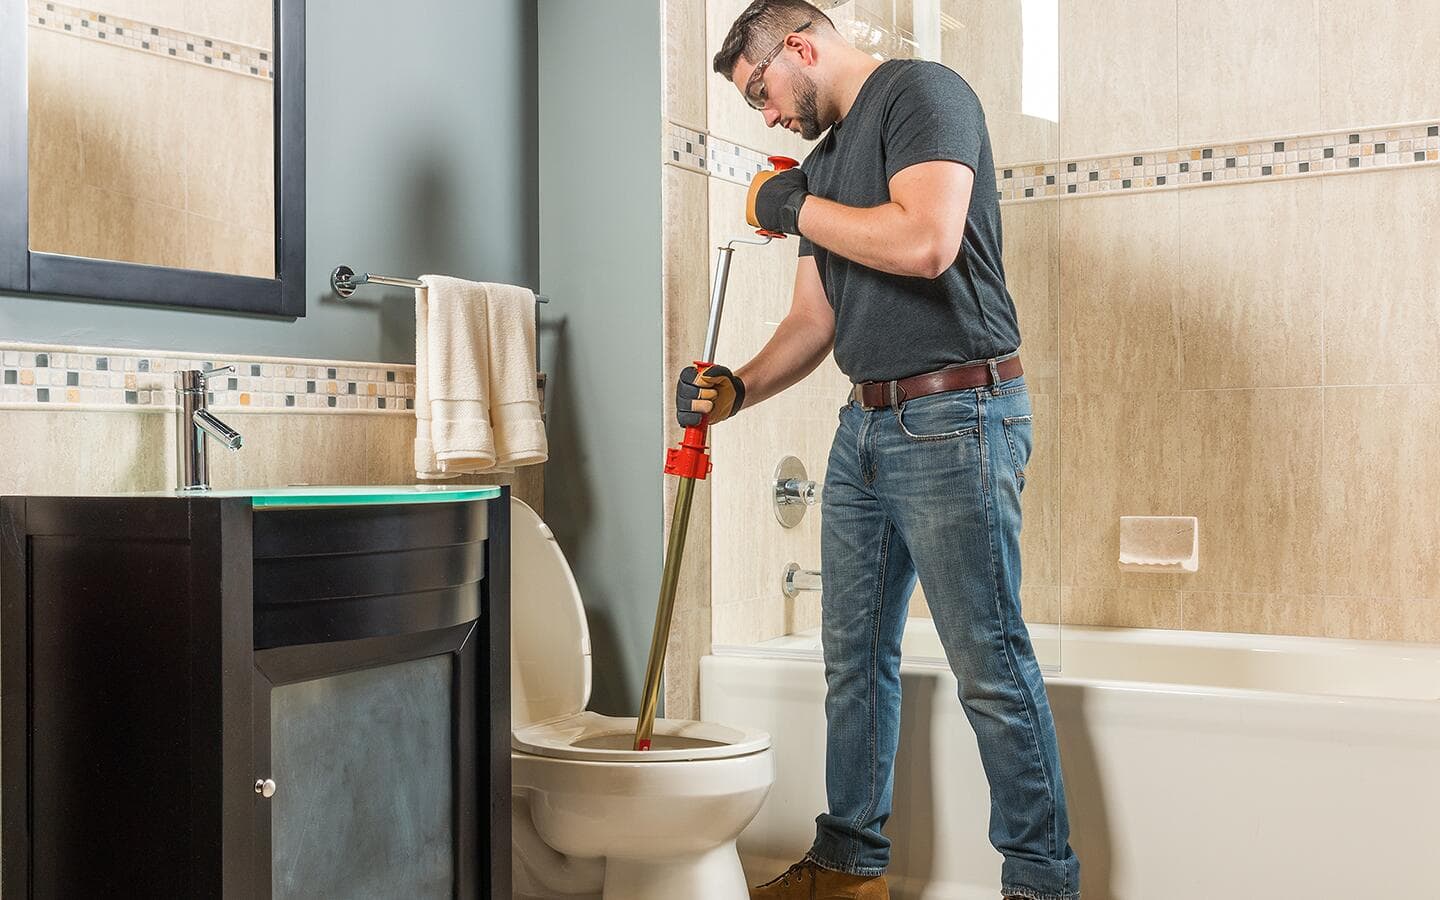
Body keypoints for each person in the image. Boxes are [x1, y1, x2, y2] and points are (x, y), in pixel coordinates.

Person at [674, 2, 1082, 898]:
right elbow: (811, 321)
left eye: (760, 92)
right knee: (852, 661)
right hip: (863, 425)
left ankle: (1041, 882)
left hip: (957, 411)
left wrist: (796, 207)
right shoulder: (824, 167)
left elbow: (927, 241)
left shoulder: (923, 95)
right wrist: (736, 388)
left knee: (989, 665)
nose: (767, 116)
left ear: (799, 46)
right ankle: (849, 865)